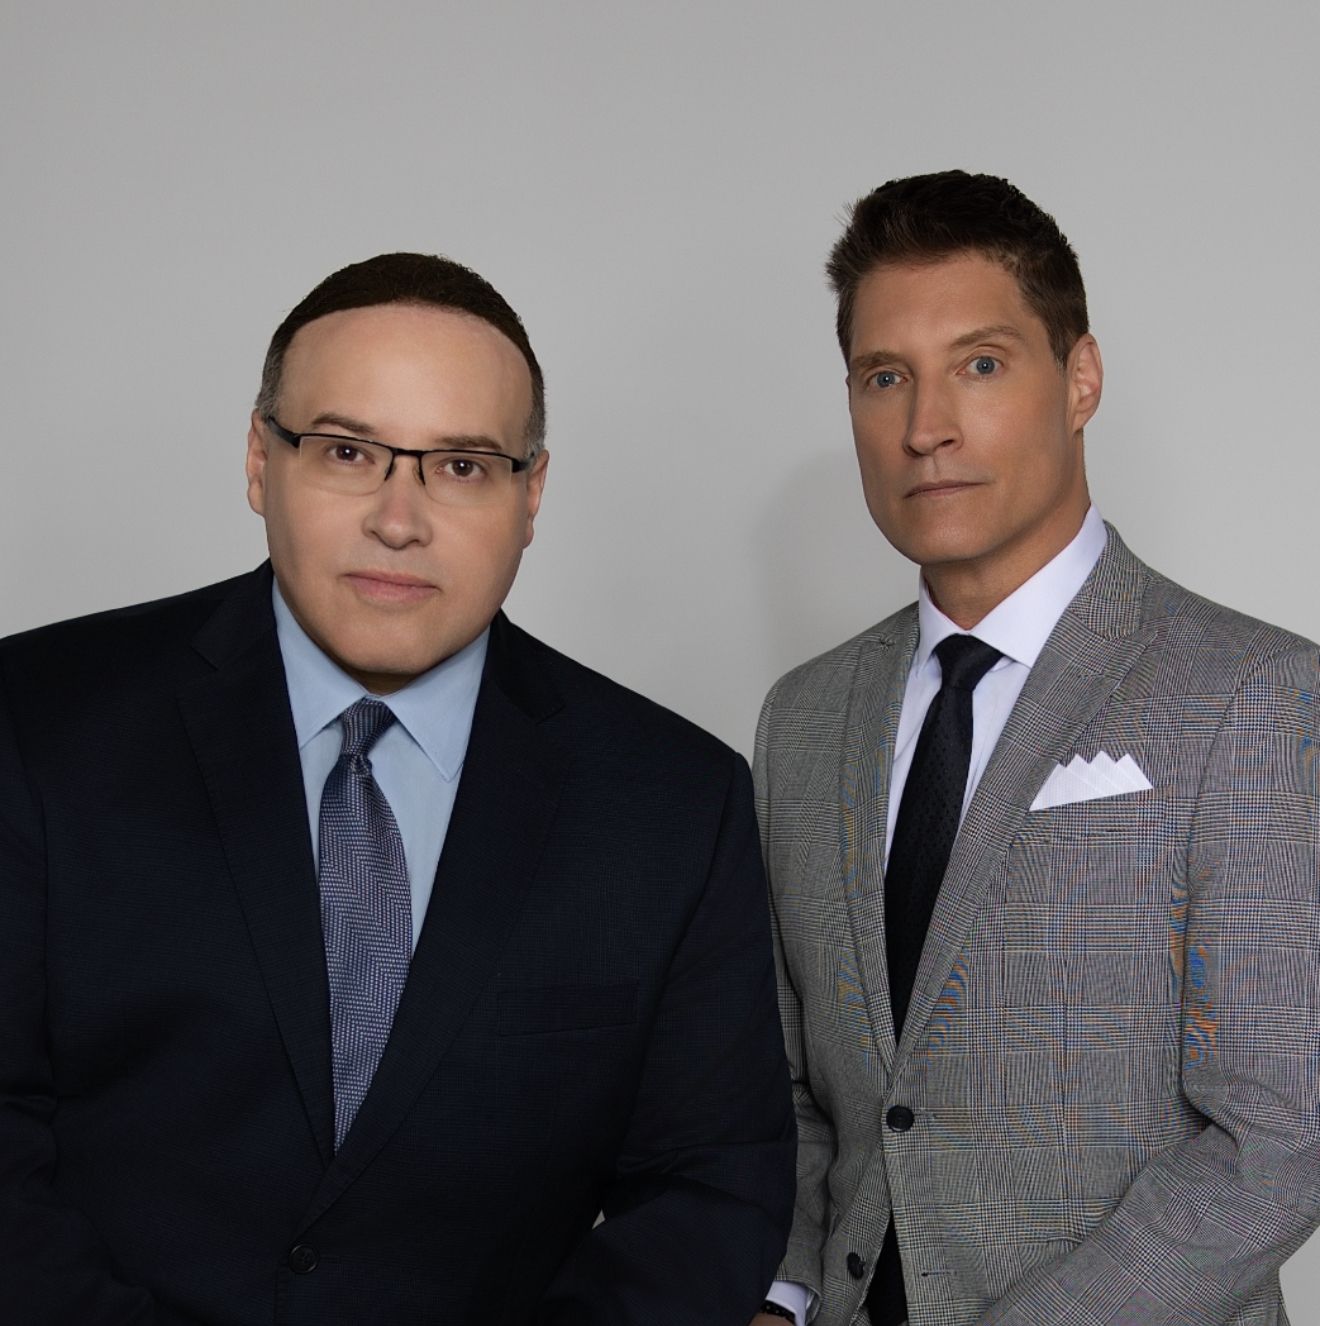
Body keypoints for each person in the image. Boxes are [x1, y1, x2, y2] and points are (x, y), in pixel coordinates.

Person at [0, 252, 794, 1325]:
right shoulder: (37, 723)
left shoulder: (672, 802)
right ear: (257, 460)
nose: (398, 518)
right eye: (346, 450)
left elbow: (707, 1189)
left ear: (531, 495)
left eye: (462, 466)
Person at [753, 171, 1320, 1326]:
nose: (926, 427)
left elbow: (1282, 1131)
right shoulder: (803, 719)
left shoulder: (1252, 692)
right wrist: (780, 1292)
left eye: (982, 363)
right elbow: (792, 1094)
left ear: (1082, 380)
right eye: (884, 377)